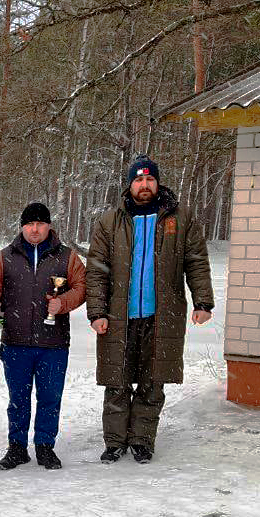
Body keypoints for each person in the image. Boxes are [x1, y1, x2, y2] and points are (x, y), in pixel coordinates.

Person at [85, 155, 214, 464]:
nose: (144, 185)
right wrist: (97, 312)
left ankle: (142, 440)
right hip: (119, 316)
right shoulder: (109, 221)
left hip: (162, 315)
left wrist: (203, 301)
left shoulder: (180, 219)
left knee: (152, 381)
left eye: (150, 180)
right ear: (130, 184)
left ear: (158, 183)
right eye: (139, 180)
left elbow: (196, 261)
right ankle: (115, 441)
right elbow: (97, 270)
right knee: (116, 380)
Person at [0, 203, 86, 471]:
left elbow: (83, 287)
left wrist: (62, 303)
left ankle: (45, 447)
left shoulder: (67, 257)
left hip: (53, 343)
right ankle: (17, 447)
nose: (35, 229)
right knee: (18, 399)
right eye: (29, 224)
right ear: (22, 227)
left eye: (40, 224)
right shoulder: (5, 257)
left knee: (50, 397)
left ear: (49, 226)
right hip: (16, 343)